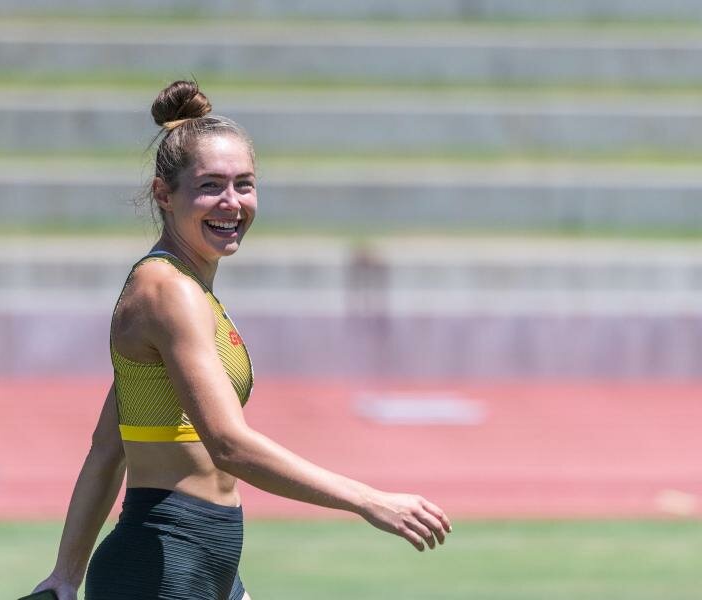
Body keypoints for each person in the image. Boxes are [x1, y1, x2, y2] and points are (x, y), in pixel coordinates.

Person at [31, 80, 451, 600]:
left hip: (205, 565)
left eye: (244, 184)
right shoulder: (168, 293)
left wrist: (67, 576)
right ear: (164, 194)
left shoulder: (186, 290)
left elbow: (108, 445)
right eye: (210, 186)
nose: (231, 202)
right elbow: (228, 446)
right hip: (160, 568)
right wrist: (367, 499)